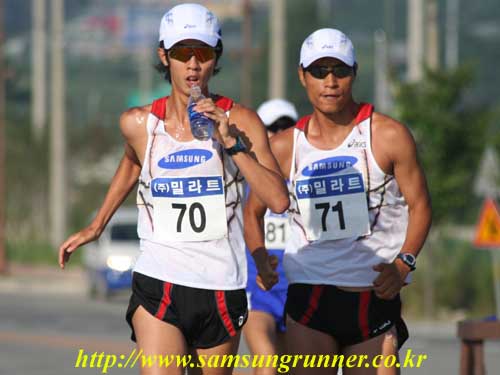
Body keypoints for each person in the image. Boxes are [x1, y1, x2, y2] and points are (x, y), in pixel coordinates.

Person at [58, 4, 289, 375]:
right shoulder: (138, 123)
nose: (193, 64)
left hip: (221, 285)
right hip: (160, 280)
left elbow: (278, 199)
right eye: (183, 53)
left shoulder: (242, 121)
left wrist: (231, 144)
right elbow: (132, 161)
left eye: (204, 53)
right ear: (164, 56)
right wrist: (97, 225)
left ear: (216, 58)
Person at [244, 28, 432, 375]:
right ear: (302, 76)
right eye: (319, 71)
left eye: (339, 71)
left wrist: (404, 264)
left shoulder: (388, 136)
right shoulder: (286, 147)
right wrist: (260, 257)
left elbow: (420, 205)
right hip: (311, 297)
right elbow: (252, 210)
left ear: (354, 73)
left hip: (372, 295)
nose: (330, 81)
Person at [243, 99, 298, 375]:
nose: (279, 133)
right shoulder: (248, 178)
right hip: (260, 291)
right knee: (267, 363)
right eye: (271, 127)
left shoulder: (308, 178)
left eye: (286, 126)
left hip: (299, 289)